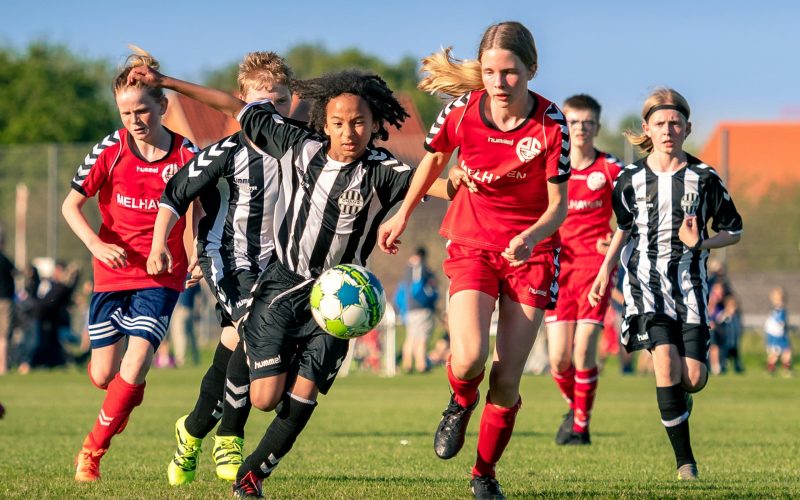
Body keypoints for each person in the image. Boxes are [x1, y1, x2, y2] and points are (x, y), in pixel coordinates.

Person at [129, 64, 454, 498]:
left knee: (303, 396)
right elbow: (235, 106)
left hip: (341, 300)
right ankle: (217, 421)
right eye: (338, 123)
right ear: (324, 123)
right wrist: (167, 83)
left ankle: (251, 478)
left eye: (359, 122)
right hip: (282, 288)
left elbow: (437, 185)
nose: (349, 132)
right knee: (263, 398)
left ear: (375, 123)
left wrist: (473, 180)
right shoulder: (298, 144)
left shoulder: (383, 168)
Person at [378, 21, 571, 499]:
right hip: (472, 244)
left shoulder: (551, 123)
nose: (500, 83)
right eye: (489, 72)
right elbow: (431, 160)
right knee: (467, 359)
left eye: (510, 73)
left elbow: (557, 207)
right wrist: (402, 216)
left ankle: (483, 474)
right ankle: (459, 402)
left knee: (506, 378)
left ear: (532, 70)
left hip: (532, 254)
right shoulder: (461, 111)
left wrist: (530, 237)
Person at [147, 51, 296, 485]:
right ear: (243, 104)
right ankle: (229, 436)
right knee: (254, 333)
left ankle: (191, 432)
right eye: (262, 105)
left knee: (236, 344)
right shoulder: (225, 153)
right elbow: (175, 194)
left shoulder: (299, 148)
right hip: (228, 260)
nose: (273, 115)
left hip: (278, 268)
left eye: (281, 103)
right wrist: (162, 244)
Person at [589, 88, 743, 480]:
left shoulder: (705, 177)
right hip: (645, 286)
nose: (668, 129)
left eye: (675, 122)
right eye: (660, 123)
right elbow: (623, 229)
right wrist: (606, 269)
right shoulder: (629, 180)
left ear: (687, 128)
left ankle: (677, 404)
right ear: (647, 129)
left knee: (693, 377)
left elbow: (735, 230)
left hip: (691, 289)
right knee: (664, 363)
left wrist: (703, 243)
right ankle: (685, 463)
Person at [61, 46, 195, 482]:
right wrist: (96, 246)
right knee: (105, 376)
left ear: (162, 106)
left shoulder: (185, 155)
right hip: (112, 271)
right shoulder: (112, 148)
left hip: (161, 275)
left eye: (142, 110)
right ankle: (125, 391)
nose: (135, 120)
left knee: (134, 366)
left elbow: (200, 211)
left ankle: (91, 454)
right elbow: (70, 206)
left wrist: (193, 254)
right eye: (125, 112)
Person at [544, 94, 623, 446]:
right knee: (559, 360)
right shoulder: (549, 168)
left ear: (597, 128)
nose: (580, 128)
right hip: (557, 269)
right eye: (574, 122)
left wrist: (616, 244)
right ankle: (576, 408)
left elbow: (634, 211)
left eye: (587, 123)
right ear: (565, 125)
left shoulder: (610, 168)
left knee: (583, 350)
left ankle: (581, 426)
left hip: (595, 268)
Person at [401, 246, 438, 374]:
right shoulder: (420, 267)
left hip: (409, 307)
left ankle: (407, 364)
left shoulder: (408, 268)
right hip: (421, 307)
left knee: (411, 336)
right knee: (422, 337)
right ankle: (421, 365)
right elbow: (421, 287)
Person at [765, 286, 792, 377]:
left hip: (782, 335)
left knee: (787, 351)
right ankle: (771, 369)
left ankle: (786, 370)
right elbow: (773, 324)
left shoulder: (782, 310)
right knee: (774, 353)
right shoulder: (774, 311)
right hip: (775, 336)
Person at [0, 229, 16, 376]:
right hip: (5, 301)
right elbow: (15, 273)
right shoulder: (4, 260)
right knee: (4, 335)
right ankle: (3, 366)